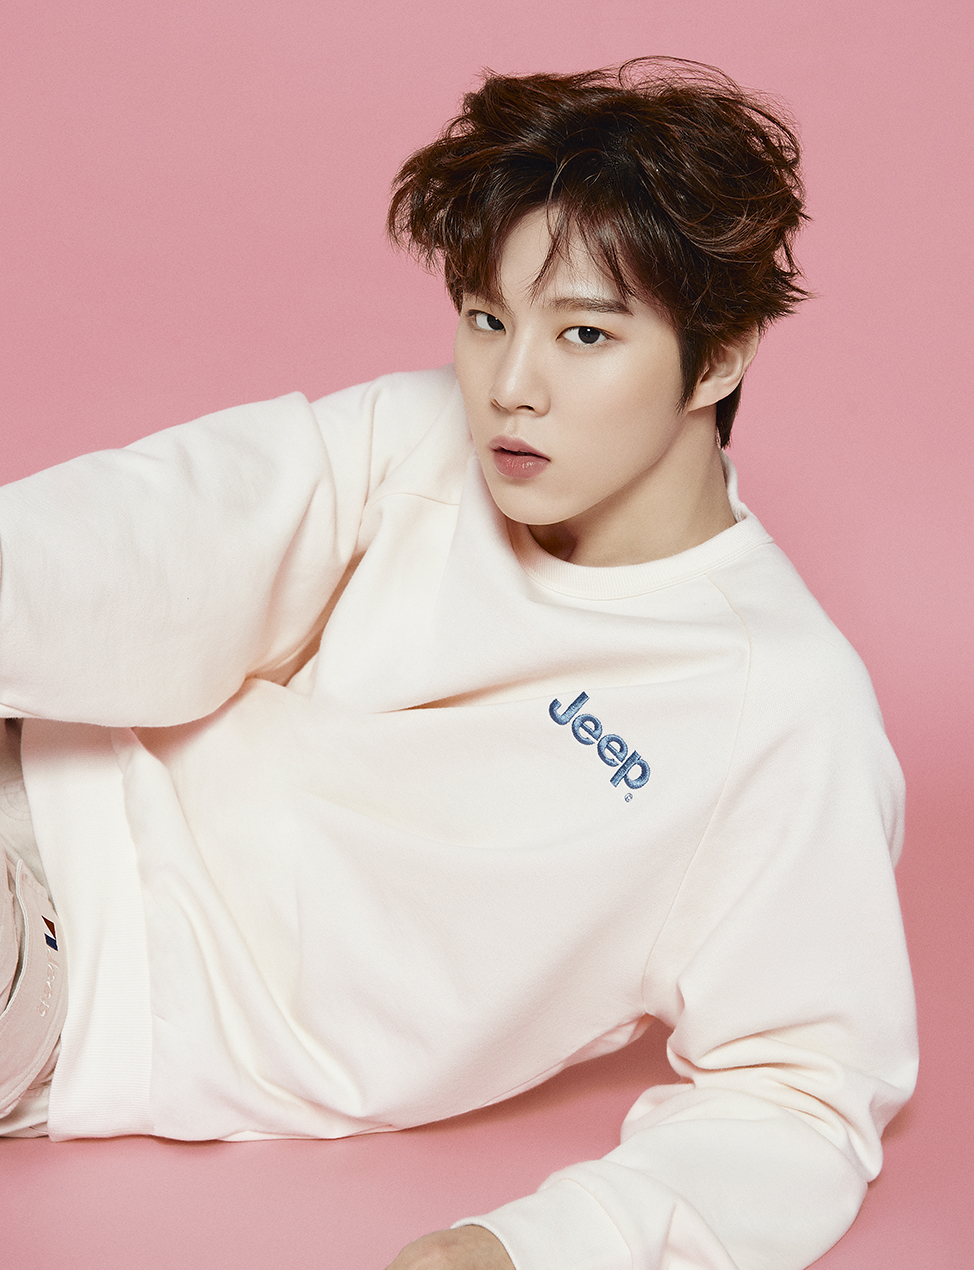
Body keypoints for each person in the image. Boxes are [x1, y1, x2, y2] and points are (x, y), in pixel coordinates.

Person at [0, 59, 916, 1270]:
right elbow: (162, 534)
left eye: (583, 334)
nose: (508, 387)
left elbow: (800, 1090)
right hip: (40, 772)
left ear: (717, 358)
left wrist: (530, 1250)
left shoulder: (781, 709)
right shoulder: (419, 437)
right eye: (486, 318)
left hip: (88, 973)